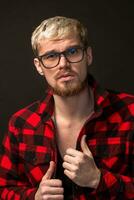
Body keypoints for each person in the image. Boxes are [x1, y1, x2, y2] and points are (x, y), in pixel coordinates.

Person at [0, 16, 134, 200]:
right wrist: (34, 197)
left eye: (72, 52)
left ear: (88, 55)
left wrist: (98, 179)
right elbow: (4, 189)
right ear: (39, 66)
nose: (63, 64)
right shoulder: (22, 124)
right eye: (51, 56)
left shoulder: (130, 113)